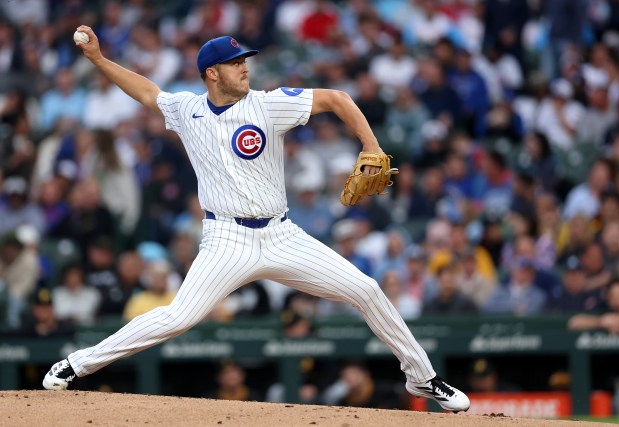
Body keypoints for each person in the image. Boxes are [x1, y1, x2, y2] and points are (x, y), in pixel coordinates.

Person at [42, 27, 469, 413]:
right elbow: (147, 92)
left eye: (245, 60)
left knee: (367, 289)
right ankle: (75, 364)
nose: (245, 68)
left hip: (282, 234)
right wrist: (99, 60)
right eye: (235, 63)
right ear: (212, 73)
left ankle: (423, 377)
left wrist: (370, 145)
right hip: (225, 238)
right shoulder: (187, 110)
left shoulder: (269, 106)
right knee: (176, 318)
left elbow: (338, 98)